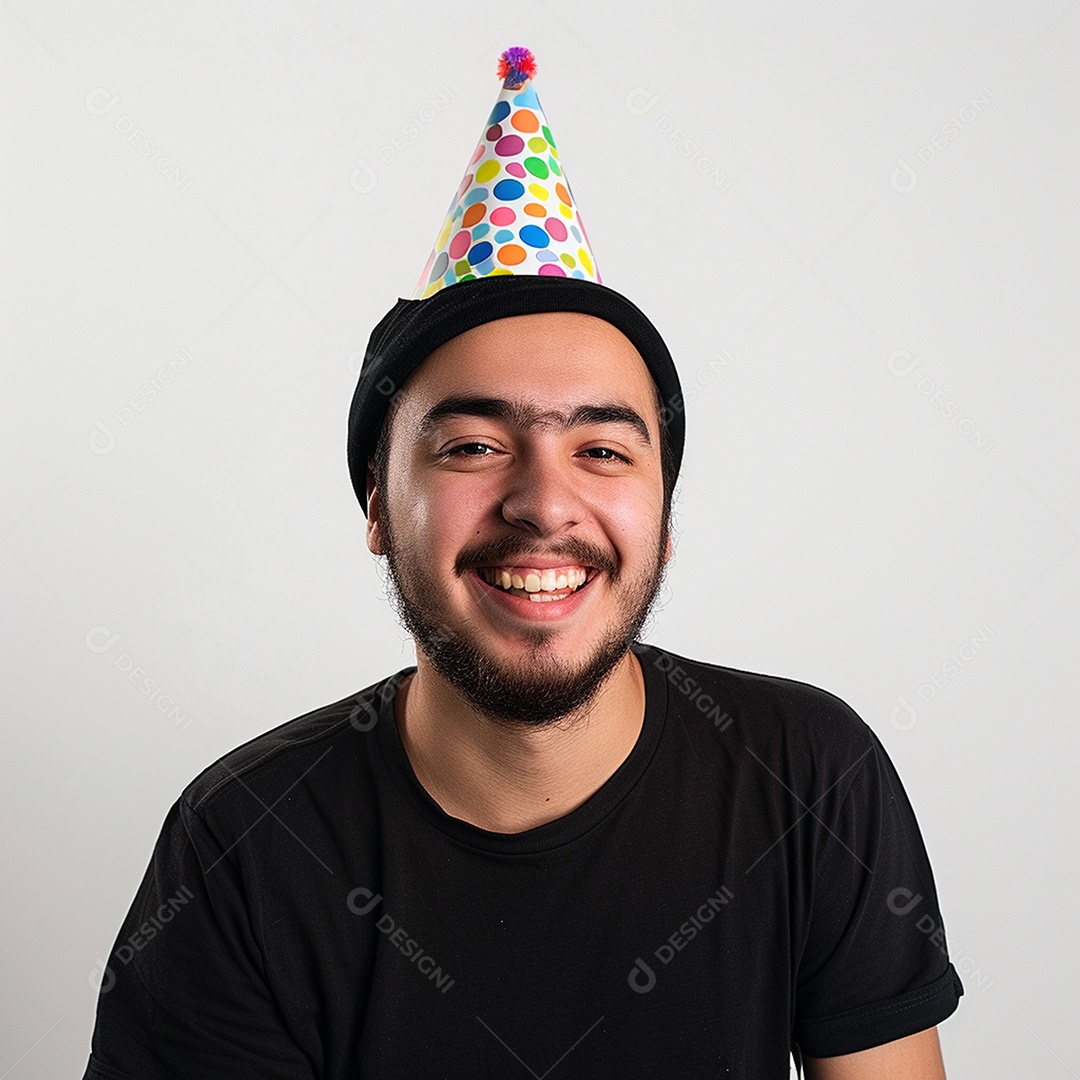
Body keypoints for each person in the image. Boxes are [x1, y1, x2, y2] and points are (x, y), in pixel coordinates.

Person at [82, 48, 962, 1079]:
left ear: (665, 517)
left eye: (602, 449)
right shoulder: (244, 844)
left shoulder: (811, 778)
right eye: (472, 446)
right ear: (377, 506)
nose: (545, 502)